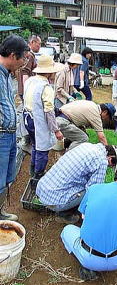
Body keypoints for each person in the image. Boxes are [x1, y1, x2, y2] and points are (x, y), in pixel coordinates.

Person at [60, 163, 117, 280]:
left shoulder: (93, 189)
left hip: (88, 259)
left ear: (115, 177)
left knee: (67, 230)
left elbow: (83, 216)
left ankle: (88, 269)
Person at [36, 142, 117, 222]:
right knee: (90, 191)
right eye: (112, 164)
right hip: (54, 201)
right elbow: (94, 191)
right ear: (111, 158)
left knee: (83, 183)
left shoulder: (87, 145)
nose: (110, 166)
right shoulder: (102, 162)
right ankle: (64, 213)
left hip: (42, 188)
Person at [0, 34, 29, 220]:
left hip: (10, 135)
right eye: (23, 57)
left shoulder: (7, 75)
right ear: (12, 55)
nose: (24, 62)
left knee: (7, 177)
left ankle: (0, 212)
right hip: (1, 135)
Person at [23, 55, 64, 186]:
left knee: (36, 144)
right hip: (37, 121)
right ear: (49, 72)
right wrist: (56, 130)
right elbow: (49, 112)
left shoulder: (30, 81)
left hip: (27, 119)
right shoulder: (46, 88)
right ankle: (37, 178)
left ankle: (33, 170)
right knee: (43, 149)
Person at [17, 34, 41, 100]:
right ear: (33, 42)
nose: (39, 47)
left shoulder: (26, 53)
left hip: (23, 90)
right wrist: (27, 91)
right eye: (38, 44)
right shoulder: (29, 55)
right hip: (26, 90)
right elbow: (25, 73)